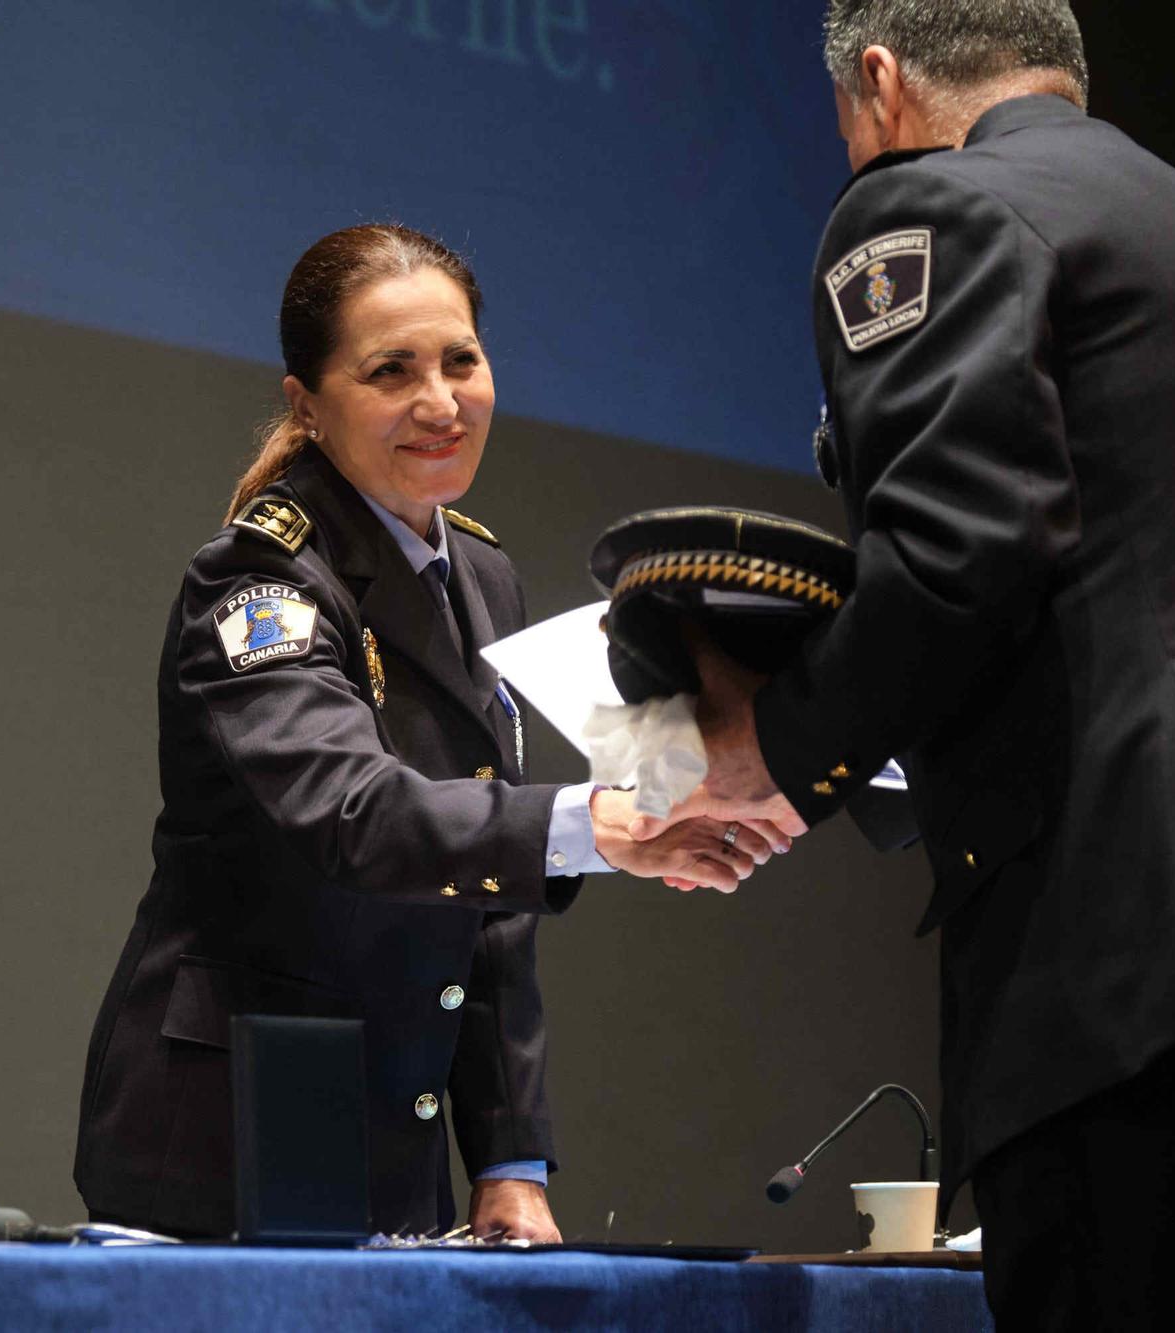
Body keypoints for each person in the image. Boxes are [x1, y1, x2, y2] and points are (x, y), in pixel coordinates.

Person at [635, 2, 1175, 1325]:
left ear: (878, 84)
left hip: (1142, 947)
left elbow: (953, 556)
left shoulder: (929, 205)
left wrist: (760, 753)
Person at [75, 224, 768, 1240]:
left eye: (460, 361)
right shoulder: (259, 578)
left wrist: (509, 1156)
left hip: (389, 1145)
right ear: (305, 405)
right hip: (228, 1136)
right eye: (389, 370)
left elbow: (488, 902)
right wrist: (599, 821)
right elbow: (353, 815)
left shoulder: (482, 575)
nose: (439, 403)